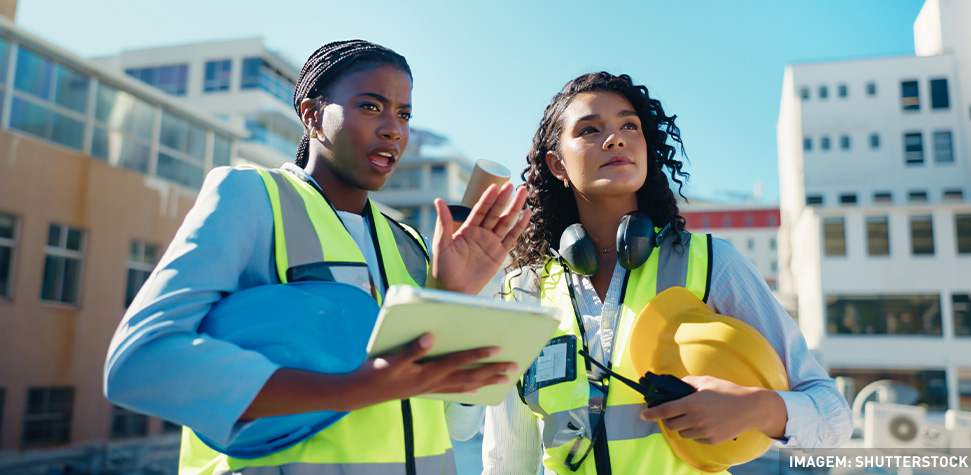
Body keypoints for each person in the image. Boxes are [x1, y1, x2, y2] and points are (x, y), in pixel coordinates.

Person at [104, 40, 530, 474]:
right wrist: (352, 388)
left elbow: (456, 425)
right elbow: (139, 363)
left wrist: (456, 298)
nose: (393, 129)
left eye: (404, 114)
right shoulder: (251, 197)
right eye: (370, 106)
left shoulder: (415, 247)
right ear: (312, 116)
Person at [481, 72, 853, 474]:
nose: (616, 138)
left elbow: (833, 416)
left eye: (629, 125)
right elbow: (507, 459)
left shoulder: (711, 262)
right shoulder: (525, 290)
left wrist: (755, 409)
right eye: (590, 129)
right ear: (557, 165)